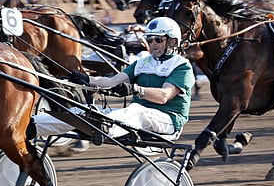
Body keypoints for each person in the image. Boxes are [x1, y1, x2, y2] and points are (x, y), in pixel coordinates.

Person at [30, 17, 195, 140]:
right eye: (150, 39)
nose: (153, 44)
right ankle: (34, 125)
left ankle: (104, 127)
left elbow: (164, 96)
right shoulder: (142, 63)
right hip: (138, 117)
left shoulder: (182, 66)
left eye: (158, 40)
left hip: (168, 120)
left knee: (137, 110)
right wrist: (86, 79)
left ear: (173, 41)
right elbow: (111, 82)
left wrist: (135, 89)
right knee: (83, 111)